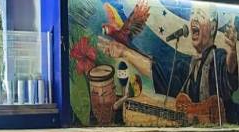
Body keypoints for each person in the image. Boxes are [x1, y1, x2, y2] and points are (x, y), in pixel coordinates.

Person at [99, 8, 238, 122]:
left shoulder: (217, 57)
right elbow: (157, 72)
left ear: (213, 27)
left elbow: (229, 72)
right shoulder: (187, 68)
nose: (193, 18)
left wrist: (232, 52)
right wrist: (125, 52)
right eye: (192, 14)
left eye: (200, 14)